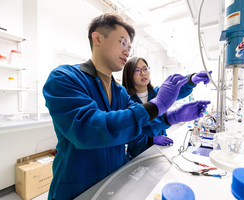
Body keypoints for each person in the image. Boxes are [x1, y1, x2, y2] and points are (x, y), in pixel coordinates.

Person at [43, 13, 210, 200]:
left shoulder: (119, 92)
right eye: (123, 43)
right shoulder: (64, 77)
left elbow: (142, 124)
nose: (127, 52)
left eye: (129, 47)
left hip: (116, 182)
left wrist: (172, 117)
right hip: (77, 188)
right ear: (97, 38)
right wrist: (158, 104)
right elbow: (88, 128)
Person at [122, 57, 212, 159]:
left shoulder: (157, 93)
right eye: (137, 70)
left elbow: (177, 90)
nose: (143, 73)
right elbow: (125, 132)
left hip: (161, 149)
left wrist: (191, 80)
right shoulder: (126, 100)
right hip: (138, 154)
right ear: (129, 75)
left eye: (145, 68)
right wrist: (151, 139)